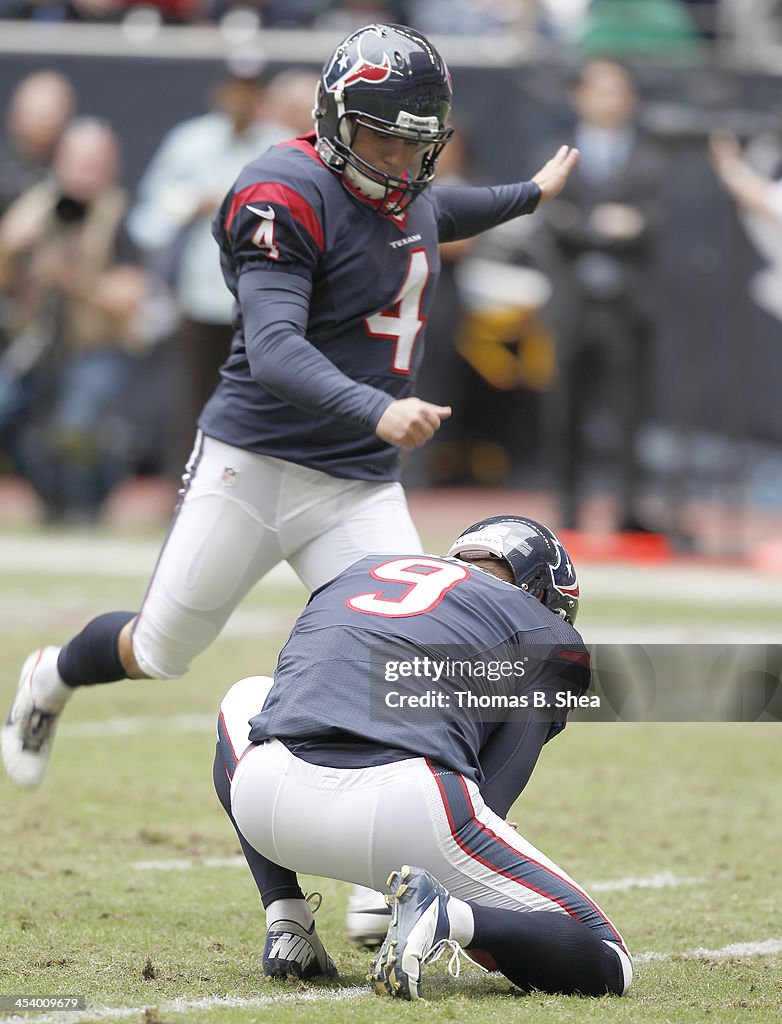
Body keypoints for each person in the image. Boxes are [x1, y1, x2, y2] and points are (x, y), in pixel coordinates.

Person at [3, 21, 578, 842]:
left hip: (356, 484)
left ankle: (382, 871)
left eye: (417, 144)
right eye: (381, 138)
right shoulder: (283, 189)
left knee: (398, 666)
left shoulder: (407, 190)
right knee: (160, 649)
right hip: (254, 463)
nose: (398, 162)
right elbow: (273, 348)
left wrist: (529, 193)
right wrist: (377, 407)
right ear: (337, 119)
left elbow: (442, 209)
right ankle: (49, 677)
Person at [213, 515, 632, 998]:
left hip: (267, 806)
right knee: (611, 960)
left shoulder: (358, 572)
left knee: (246, 695)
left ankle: (286, 917)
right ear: (541, 594)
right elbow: (495, 793)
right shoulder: (546, 634)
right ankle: (446, 917)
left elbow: (297, 694)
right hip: (408, 814)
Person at [126, 58, 293, 473]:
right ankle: (184, 486)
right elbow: (147, 220)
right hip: (200, 293)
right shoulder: (190, 142)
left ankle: (254, 486)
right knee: (195, 398)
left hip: (261, 297)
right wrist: (184, 206)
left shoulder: (281, 146)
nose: (242, 98)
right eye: (235, 87)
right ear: (219, 92)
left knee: (263, 398)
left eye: (251, 89)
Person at [532, 57, 666, 532]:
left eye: (617, 91)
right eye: (599, 90)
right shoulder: (557, 152)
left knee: (629, 409)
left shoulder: (650, 157)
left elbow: (651, 224)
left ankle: (628, 508)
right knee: (564, 407)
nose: (609, 100)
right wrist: (602, 226)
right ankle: (567, 508)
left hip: (626, 304)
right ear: (580, 97)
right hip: (572, 302)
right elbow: (553, 220)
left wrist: (589, 226)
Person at [0, 118, 151, 522]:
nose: (85, 174)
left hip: (97, 345)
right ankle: (50, 501)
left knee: (76, 421)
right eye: (78, 162)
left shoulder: (119, 214)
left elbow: (130, 297)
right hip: (37, 343)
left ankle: (84, 508)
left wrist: (75, 280)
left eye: (95, 164)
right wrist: (12, 246)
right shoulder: (34, 206)